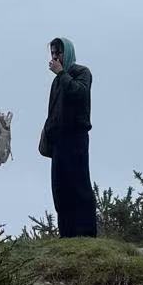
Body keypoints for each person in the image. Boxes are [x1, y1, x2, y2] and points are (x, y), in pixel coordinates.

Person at [39, 35, 96, 238]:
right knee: (60, 189)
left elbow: (79, 93)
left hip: (76, 137)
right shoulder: (57, 81)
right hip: (59, 141)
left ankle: (86, 234)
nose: (55, 57)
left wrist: (62, 73)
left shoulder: (82, 72)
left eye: (59, 53)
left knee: (79, 185)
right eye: (53, 53)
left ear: (68, 53)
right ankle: (67, 234)